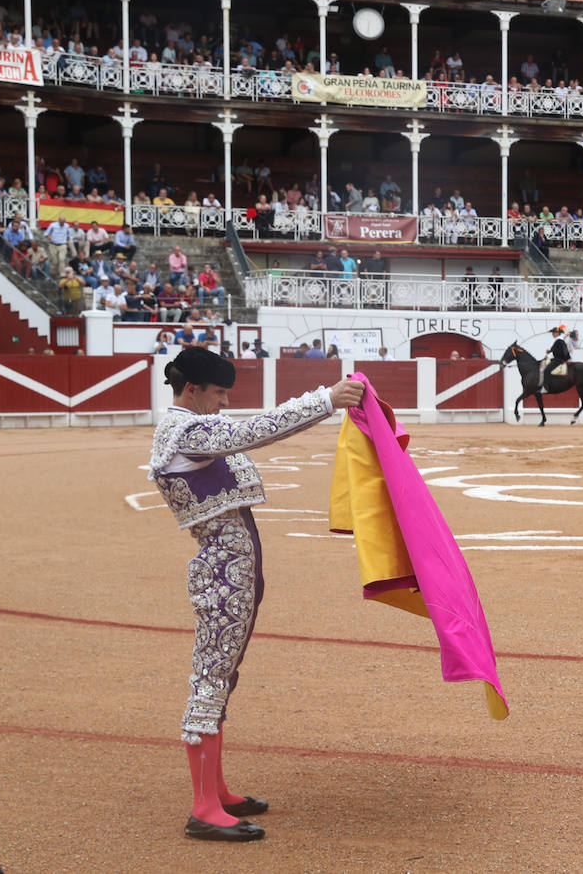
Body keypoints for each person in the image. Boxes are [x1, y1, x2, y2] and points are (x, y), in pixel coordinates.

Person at [149, 347, 363, 842]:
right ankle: (204, 808)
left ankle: (216, 790)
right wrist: (327, 400)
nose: (223, 401)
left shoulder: (183, 427)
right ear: (191, 390)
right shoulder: (189, 431)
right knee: (212, 677)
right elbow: (256, 429)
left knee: (221, 674)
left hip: (228, 569)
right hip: (224, 571)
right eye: (218, 392)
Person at [541, 324, 569, 390]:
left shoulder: (558, 340)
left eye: (554, 333)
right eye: (553, 333)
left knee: (546, 370)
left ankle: (546, 387)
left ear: (557, 333)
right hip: (556, 358)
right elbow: (554, 350)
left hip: (558, 360)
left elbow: (555, 351)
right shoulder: (558, 340)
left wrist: (548, 354)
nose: (552, 334)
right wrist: (548, 353)